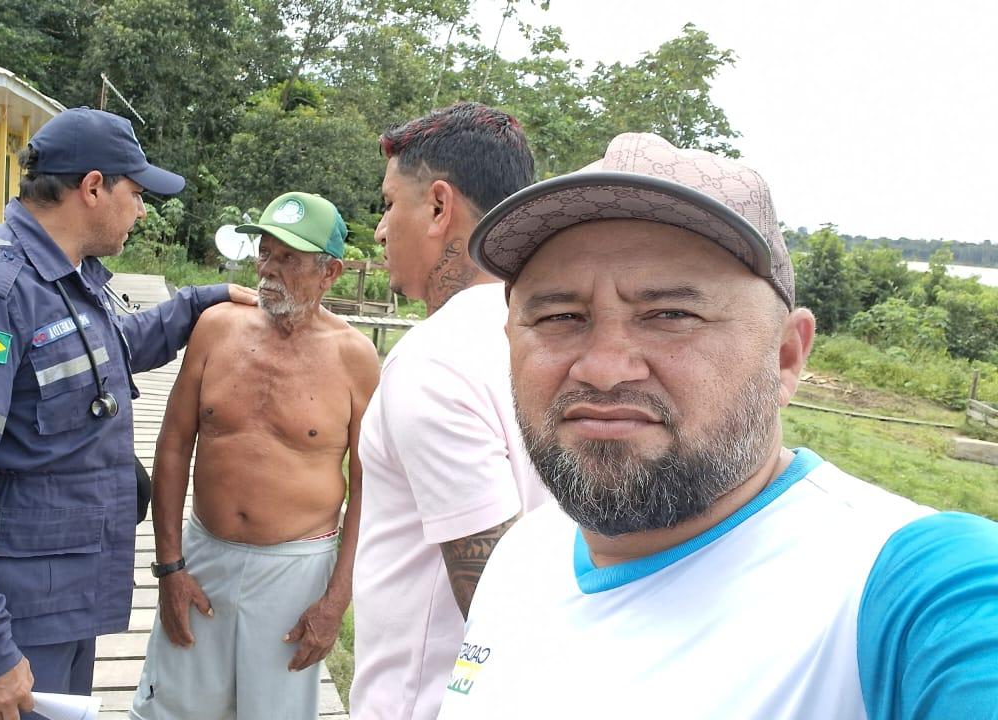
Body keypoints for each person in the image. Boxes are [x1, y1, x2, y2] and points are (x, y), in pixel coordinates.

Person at [438, 132, 998, 718]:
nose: (603, 369)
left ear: (785, 357)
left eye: (671, 314)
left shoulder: (914, 591)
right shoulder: (522, 556)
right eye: (560, 317)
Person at [0, 107, 256, 720]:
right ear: (93, 187)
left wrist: (201, 302)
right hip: (9, 617)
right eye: (136, 194)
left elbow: (108, 351)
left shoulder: (67, 278)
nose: (141, 211)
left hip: (61, 596)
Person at [130, 192, 380, 720]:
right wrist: (170, 567)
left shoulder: (355, 358)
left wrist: (336, 599)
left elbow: (368, 489)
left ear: (330, 272)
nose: (268, 269)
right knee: (171, 709)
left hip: (295, 571)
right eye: (265, 252)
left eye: (289, 259)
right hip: (204, 555)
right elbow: (173, 444)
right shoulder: (216, 327)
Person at [349, 101, 550, 720]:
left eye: (389, 204)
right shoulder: (548, 339)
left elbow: (495, 608)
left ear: (439, 207)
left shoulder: (433, 363)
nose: (381, 230)